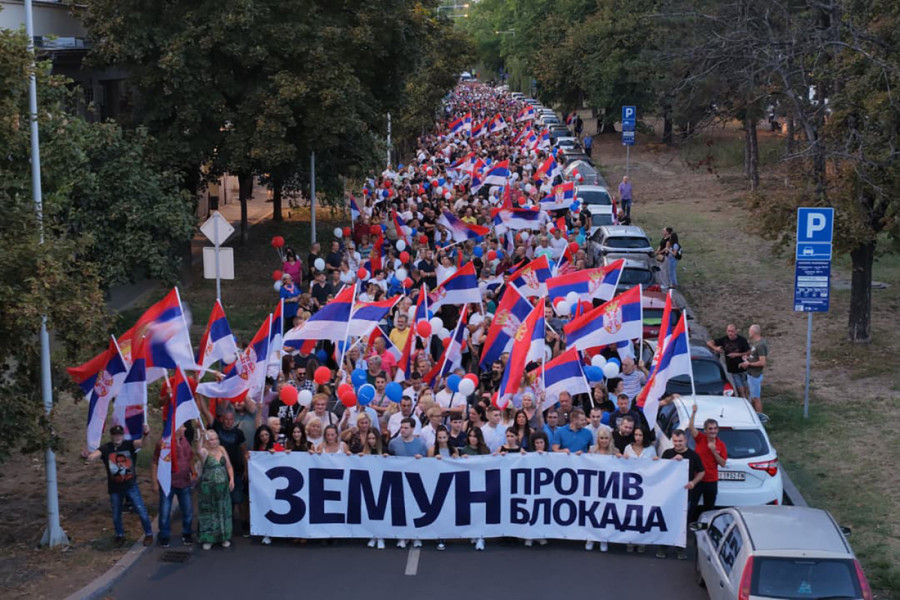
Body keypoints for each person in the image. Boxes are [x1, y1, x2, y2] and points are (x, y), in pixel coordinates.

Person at [82, 424, 154, 547]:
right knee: (116, 514)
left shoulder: (129, 444)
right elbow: (94, 456)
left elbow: (143, 443)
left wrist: (146, 434)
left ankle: (148, 533)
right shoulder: (106, 448)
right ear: (111, 436)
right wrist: (87, 456)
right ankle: (119, 535)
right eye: (115, 435)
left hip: (130, 485)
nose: (118, 437)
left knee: (141, 510)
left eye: (120, 435)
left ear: (123, 435)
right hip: (115, 488)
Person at [658, 429, 705, 560]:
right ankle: (663, 547)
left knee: (681, 522)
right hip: (669, 495)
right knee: (666, 520)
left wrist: (693, 482)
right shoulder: (667, 453)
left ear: (685, 440)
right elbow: (660, 469)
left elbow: (702, 472)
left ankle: (680, 549)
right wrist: (673, 460)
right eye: (675, 441)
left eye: (680, 441)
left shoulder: (693, 455)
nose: (678, 444)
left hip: (685, 495)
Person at [151, 424, 194, 548]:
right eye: (182, 427)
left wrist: (193, 472)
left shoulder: (185, 441)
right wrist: (154, 482)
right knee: (164, 511)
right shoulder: (163, 444)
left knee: (188, 511)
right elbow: (155, 462)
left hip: (184, 482)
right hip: (167, 483)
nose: (185, 429)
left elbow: (190, 458)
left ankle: (187, 533)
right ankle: (164, 536)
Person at [194, 429, 234, 550]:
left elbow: (229, 466)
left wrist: (231, 479)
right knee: (209, 513)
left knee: (223, 511)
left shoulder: (222, 449)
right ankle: (208, 539)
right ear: (207, 441)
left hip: (223, 488)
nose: (215, 441)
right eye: (211, 439)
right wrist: (200, 436)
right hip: (208, 489)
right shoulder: (205, 452)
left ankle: (224, 537)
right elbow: (198, 450)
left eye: (216, 438)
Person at [688, 402, 728, 518]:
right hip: (697, 479)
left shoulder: (721, 445)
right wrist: (693, 412)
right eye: (710, 429)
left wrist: (714, 451)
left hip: (711, 481)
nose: (713, 431)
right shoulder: (700, 438)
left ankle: (706, 526)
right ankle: (688, 526)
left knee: (709, 509)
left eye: (715, 428)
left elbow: (723, 464)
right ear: (705, 430)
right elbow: (691, 428)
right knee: (691, 506)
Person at [707, 323, 751, 399]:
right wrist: (715, 348)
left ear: (736, 331)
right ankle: (743, 399)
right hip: (733, 369)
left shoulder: (742, 340)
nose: (730, 333)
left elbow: (749, 352)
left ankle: (746, 400)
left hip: (743, 368)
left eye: (732, 331)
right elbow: (709, 343)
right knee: (740, 389)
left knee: (745, 388)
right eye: (729, 331)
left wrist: (737, 355)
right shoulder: (724, 339)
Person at [742, 324, 768, 414]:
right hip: (751, 374)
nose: (749, 332)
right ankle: (754, 415)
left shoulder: (760, 345)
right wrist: (748, 358)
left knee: (756, 398)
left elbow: (763, 362)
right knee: (752, 397)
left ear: (753, 332)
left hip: (755, 375)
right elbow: (755, 356)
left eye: (750, 330)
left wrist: (749, 363)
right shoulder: (756, 343)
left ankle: (760, 418)